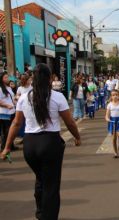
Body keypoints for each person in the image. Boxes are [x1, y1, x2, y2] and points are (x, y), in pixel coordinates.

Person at [1, 63, 81, 220]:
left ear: (33, 79)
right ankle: (48, 216)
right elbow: (70, 122)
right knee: (51, 184)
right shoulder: (57, 97)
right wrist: (77, 137)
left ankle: (40, 212)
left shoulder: (24, 98)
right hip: (50, 143)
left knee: (40, 178)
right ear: (50, 78)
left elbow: (16, 123)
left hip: (30, 145)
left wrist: (7, 147)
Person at [0, 72, 17, 151]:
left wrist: (15, 100)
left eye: (8, 77)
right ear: (2, 79)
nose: (8, 79)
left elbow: (11, 98)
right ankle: (4, 148)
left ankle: (11, 145)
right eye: (5, 77)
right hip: (4, 113)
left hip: (12, 111)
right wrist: (7, 105)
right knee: (6, 131)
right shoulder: (0, 88)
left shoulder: (9, 87)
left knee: (11, 130)